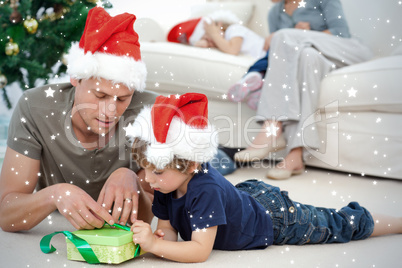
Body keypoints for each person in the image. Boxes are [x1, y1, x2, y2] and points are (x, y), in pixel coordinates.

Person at [126, 92, 401, 263]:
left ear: (191, 164)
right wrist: (156, 240)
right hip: (244, 198)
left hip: (274, 218)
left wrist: (155, 244)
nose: (148, 179)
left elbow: (199, 252)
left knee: (334, 224)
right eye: (145, 168)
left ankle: (396, 223)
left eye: (157, 170)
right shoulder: (165, 184)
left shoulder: (203, 190)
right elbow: (171, 232)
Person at [0, 7, 156, 232]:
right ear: (75, 77)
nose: (110, 111)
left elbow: (152, 216)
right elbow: (6, 215)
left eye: (123, 98)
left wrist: (134, 178)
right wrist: (55, 194)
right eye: (100, 96)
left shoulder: (149, 111)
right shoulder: (35, 108)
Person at [232, 0, 373, 179]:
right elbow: (282, 58)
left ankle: (272, 124)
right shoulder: (275, 12)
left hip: (345, 50)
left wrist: (305, 34)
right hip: (314, 56)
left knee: (283, 37)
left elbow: (341, 32)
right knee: (307, 57)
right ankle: (295, 155)